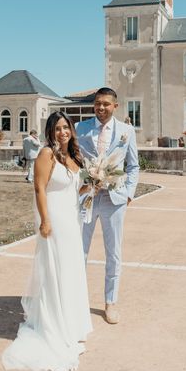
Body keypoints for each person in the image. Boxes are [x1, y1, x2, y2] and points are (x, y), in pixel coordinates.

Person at [2, 112, 92, 371]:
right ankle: (54, 326)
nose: (62, 132)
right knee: (56, 272)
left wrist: (93, 184)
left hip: (73, 220)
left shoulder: (74, 156)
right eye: (57, 128)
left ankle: (71, 324)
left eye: (66, 127)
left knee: (71, 271)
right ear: (50, 131)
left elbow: (74, 189)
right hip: (55, 221)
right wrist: (45, 220)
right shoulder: (46, 154)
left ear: (71, 130)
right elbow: (39, 187)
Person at [75, 87, 139, 324]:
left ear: (115, 106)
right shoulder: (80, 128)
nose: (101, 108)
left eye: (106, 104)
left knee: (113, 253)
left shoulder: (127, 131)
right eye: (97, 104)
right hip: (87, 198)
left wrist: (129, 194)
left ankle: (110, 302)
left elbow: (133, 165)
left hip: (115, 200)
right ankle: (76, 300)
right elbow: (72, 158)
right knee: (79, 251)